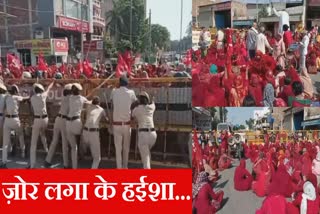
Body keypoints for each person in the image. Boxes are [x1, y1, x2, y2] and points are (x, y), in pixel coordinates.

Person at [111, 75, 137, 169]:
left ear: (119, 83)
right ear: (127, 83)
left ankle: (119, 169)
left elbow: (112, 101)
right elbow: (135, 102)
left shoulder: (114, 91)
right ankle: (125, 167)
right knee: (126, 148)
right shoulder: (131, 92)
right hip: (127, 124)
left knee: (118, 149)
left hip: (116, 124)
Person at [45, 84, 72, 168]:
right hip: (64, 120)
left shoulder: (64, 97)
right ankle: (66, 164)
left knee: (54, 141)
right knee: (64, 143)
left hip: (58, 119)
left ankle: (48, 160)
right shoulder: (70, 98)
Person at [1, 85, 29, 168]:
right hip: (15, 119)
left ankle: (4, 162)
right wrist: (28, 95)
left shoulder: (6, 97)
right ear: (15, 91)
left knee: (5, 143)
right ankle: (23, 152)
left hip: (7, 120)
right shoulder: (17, 97)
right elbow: (25, 98)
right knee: (20, 135)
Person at [29, 82, 54, 168]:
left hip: (37, 119)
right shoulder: (43, 95)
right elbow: (48, 88)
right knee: (43, 135)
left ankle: (32, 164)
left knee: (33, 142)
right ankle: (47, 153)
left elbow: (32, 110)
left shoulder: (32, 98)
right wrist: (53, 82)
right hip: (45, 119)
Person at [66, 83, 92, 169]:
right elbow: (90, 102)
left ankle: (73, 165)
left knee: (73, 146)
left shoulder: (69, 98)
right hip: (76, 122)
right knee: (78, 142)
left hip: (68, 123)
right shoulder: (82, 98)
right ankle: (77, 162)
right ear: (79, 91)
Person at [81, 96, 108, 169]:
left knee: (84, 148)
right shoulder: (101, 110)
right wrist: (108, 119)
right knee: (97, 158)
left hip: (85, 132)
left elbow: (87, 102)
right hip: (93, 133)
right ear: (99, 103)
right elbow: (106, 120)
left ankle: (83, 152)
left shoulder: (88, 106)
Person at [132, 91, 157, 169]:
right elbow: (153, 102)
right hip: (153, 135)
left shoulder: (136, 109)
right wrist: (152, 97)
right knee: (147, 154)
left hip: (143, 135)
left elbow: (132, 118)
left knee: (145, 160)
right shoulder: (151, 107)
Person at [0, 82, 7, 152]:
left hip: (2, 116)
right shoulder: (5, 96)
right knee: (2, 133)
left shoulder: (4, 96)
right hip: (2, 116)